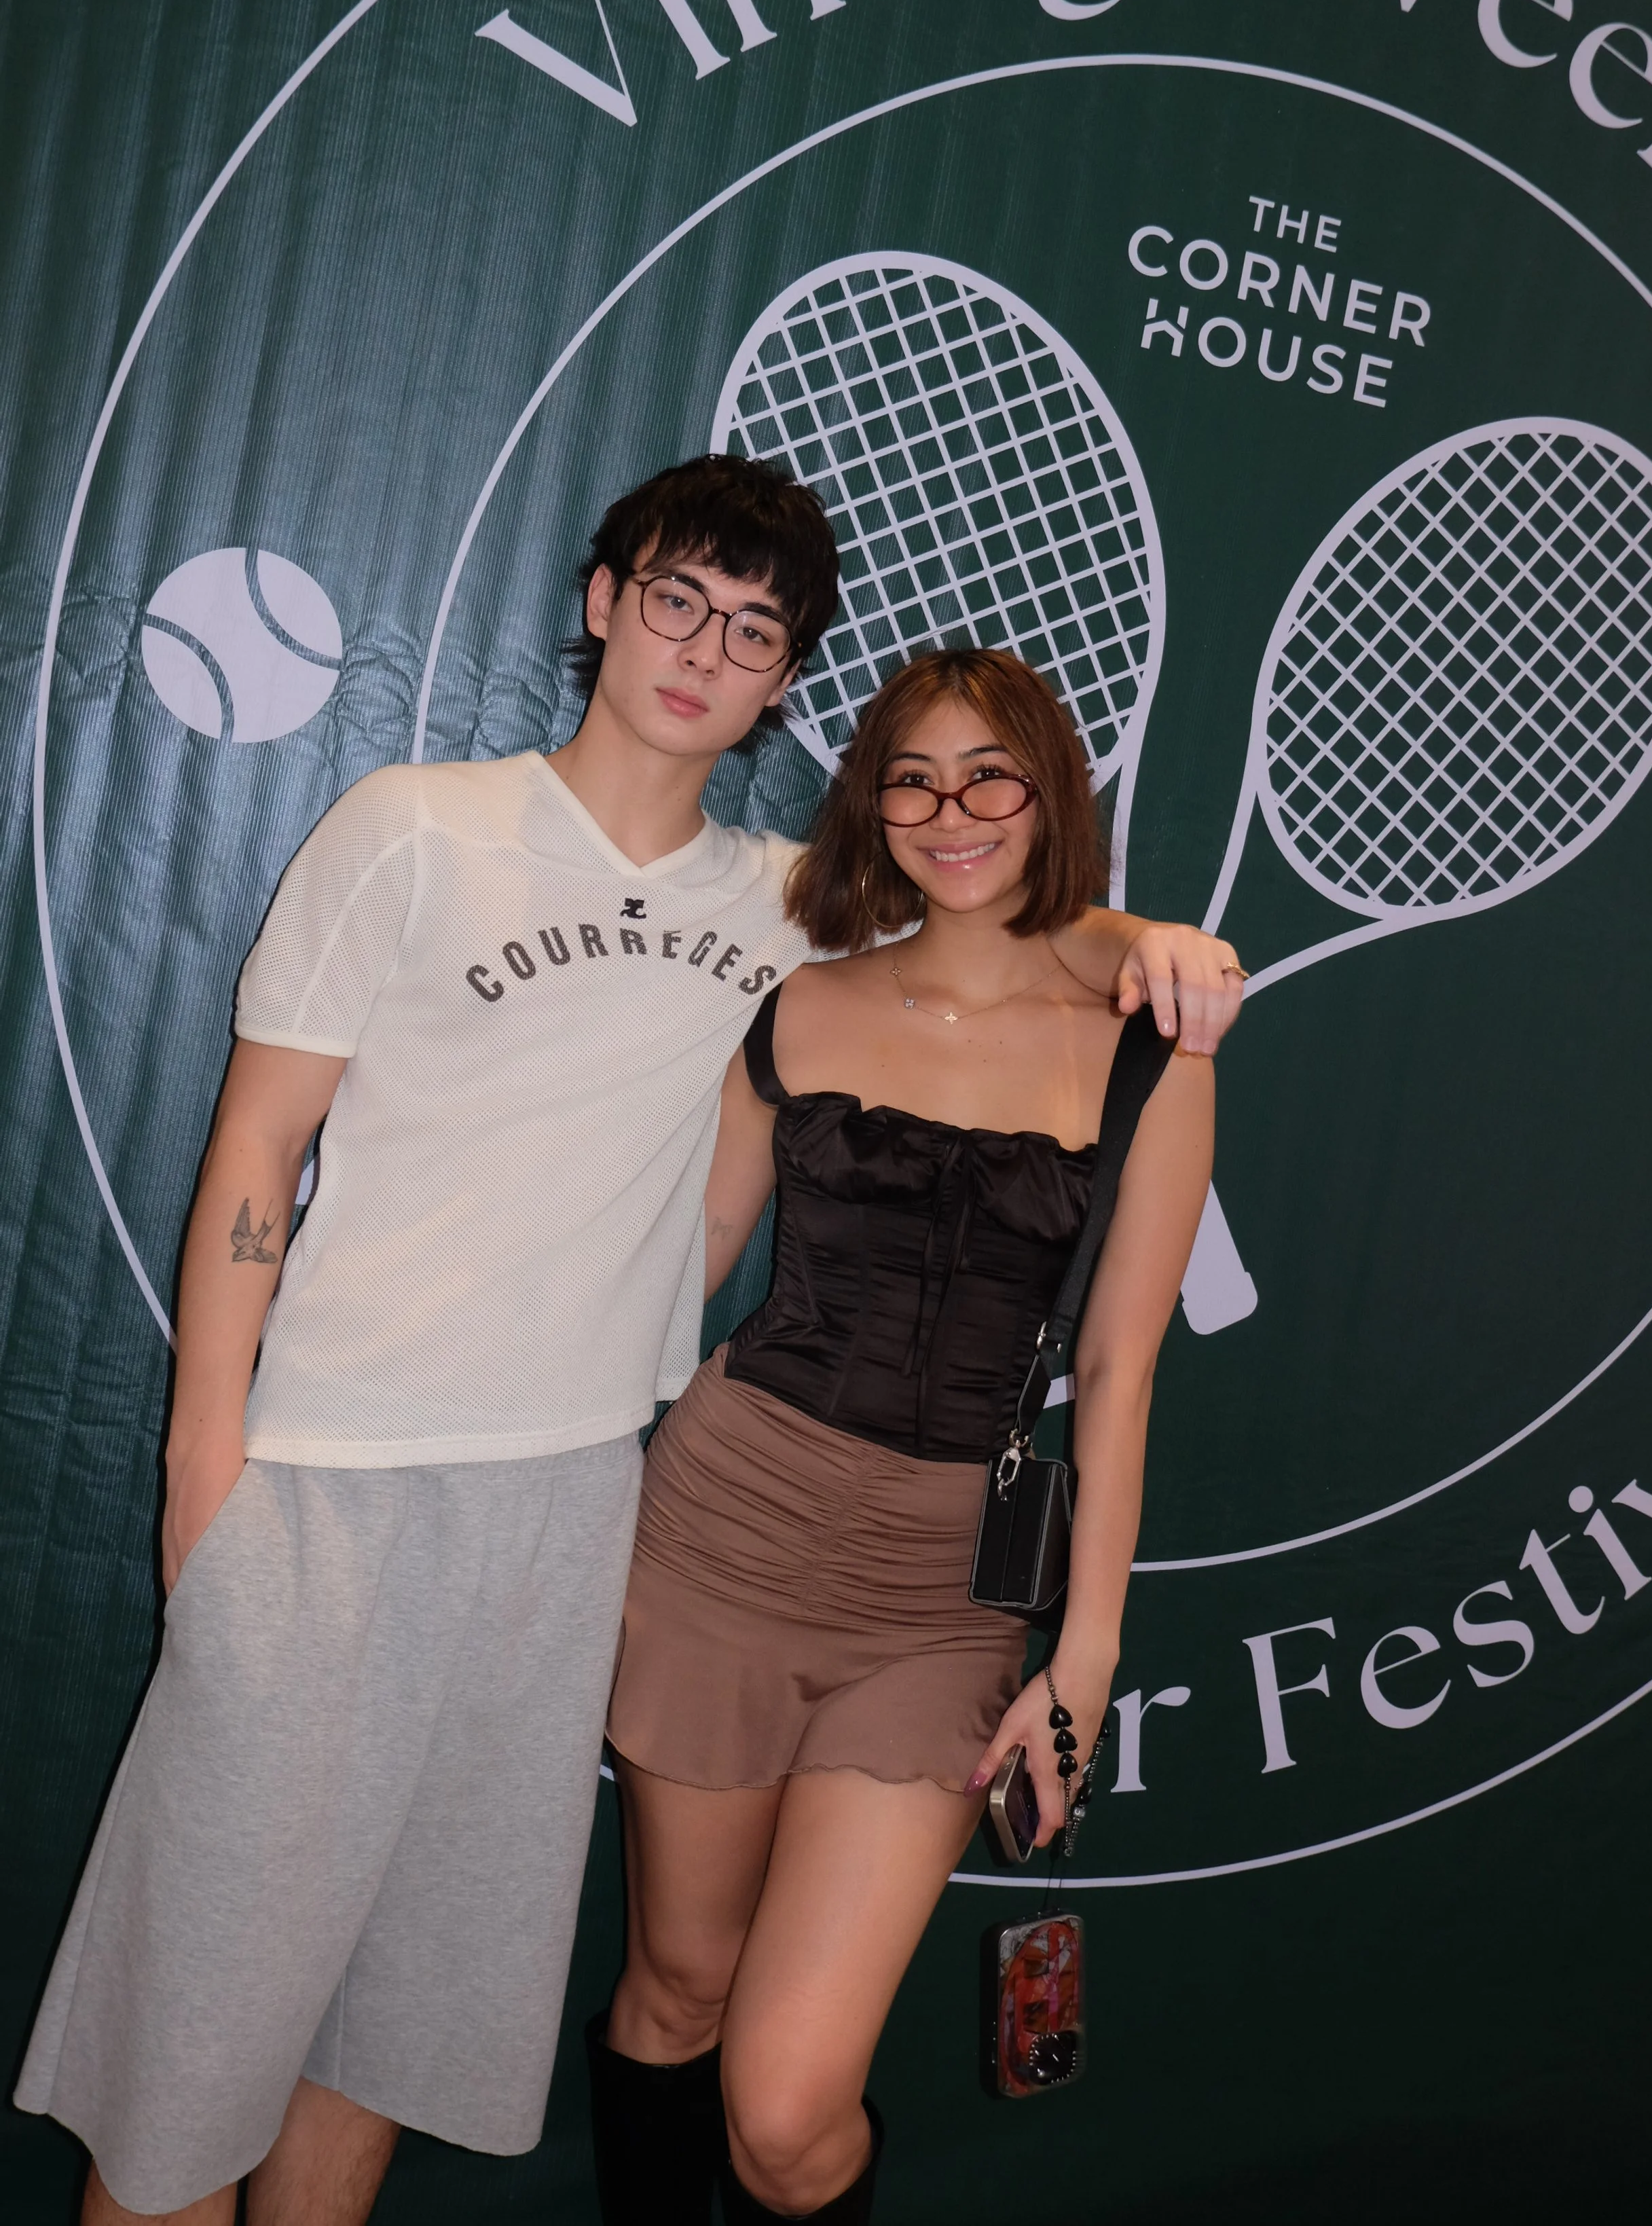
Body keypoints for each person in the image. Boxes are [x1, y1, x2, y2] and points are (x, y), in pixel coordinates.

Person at [16, 456, 1244, 2226]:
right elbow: (255, 1153)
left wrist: (1153, 938)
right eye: (674, 598)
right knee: (192, 2050)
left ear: (779, 677)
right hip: (335, 1492)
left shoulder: (784, 910)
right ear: (602, 600)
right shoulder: (411, 825)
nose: (702, 646)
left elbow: (998, 908)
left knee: (389, 2032)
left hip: (582, 1513)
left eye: (751, 628)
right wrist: (207, 1456)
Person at [595, 646, 1217, 2225]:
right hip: (717, 1535)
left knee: (790, 2111)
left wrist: (1078, 1663)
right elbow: (667, 1285)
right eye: (914, 778)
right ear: (871, 806)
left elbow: (1122, 1379)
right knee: (674, 1988)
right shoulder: (795, 1004)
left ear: (1051, 793)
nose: (953, 811)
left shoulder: (1153, 1053)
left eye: (989, 774)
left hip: (936, 1603)